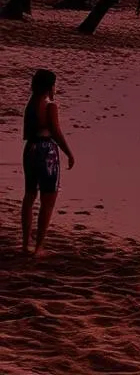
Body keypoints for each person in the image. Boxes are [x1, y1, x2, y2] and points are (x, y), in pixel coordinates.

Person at [22, 68, 75, 255]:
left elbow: (27, 132)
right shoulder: (50, 105)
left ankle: (25, 243)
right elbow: (56, 131)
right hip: (46, 150)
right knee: (47, 200)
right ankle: (39, 247)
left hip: (30, 148)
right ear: (51, 86)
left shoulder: (31, 104)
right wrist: (69, 153)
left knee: (29, 196)